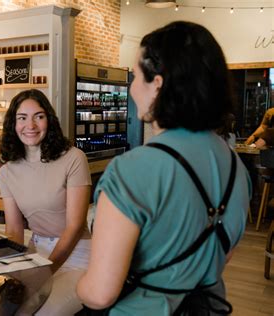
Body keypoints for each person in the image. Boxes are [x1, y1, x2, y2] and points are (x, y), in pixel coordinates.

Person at [76, 21, 251, 315]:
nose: (131, 88)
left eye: (134, 76)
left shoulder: (130, 170)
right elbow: (223, 253)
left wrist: (77, 285)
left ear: (157, 84)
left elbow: (99, 294)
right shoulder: (236, 166)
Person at [0, 89, 92, 315]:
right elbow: (14, 229)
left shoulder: (74, 158)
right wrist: (11, 267)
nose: (30, 125)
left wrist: (45, 271)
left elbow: (75, 226)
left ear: (48, 120)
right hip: (36, 251)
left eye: (38, 116)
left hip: (76, 255)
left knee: (42, 313)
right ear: (13, 123)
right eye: (22, 118)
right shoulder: (7, 171)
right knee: (7, 308)